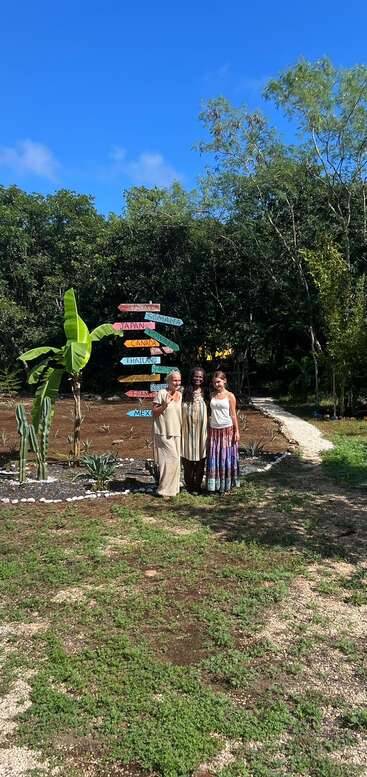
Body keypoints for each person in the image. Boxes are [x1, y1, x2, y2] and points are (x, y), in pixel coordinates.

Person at [206, 370, 240, 494]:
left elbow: (233, 414)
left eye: (219, 382)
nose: (217, 385)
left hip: (227, 429)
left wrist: (237, 431)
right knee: (215, 456)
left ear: (224, 381)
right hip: (214, 430)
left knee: (226, 457)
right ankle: (215, 484)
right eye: (214, 383)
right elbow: (210, 413)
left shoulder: (230, 396)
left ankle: (227, 484)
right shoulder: (211, 395)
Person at [152, 370, 182, 499]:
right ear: (168, 381)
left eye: (179, 380)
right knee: (170, 461)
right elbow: (154, 412)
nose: (177, 383)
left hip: (176, 432)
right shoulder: (162, 393)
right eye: (174, 380)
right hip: (163, 432)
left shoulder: (180, 395)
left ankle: (173, 489)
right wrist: (164, 405)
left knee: (176, 461)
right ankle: (163, 490)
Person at [181, 367, 208, 493]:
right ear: (191, 377)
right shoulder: (183, 391)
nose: (198, 379)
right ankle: (189, 485)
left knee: (201, 460)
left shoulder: (206, 392)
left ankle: (197, 486)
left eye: (200, 377)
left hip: (202, 432)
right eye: (196, 376)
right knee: (187, 459)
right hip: (186, 431)